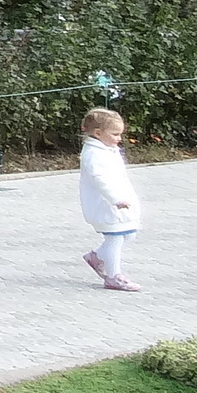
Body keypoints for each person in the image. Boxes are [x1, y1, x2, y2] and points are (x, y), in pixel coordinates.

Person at [79, 107, 141, 291]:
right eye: (115, 134)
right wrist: (115, 199)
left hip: (119, 202)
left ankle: (97, 257)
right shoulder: (93, 153)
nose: (119, 139)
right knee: (114, 238)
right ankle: (113, 276)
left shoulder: (108, 149)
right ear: (98, 133)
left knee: (128, 234)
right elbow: (100, 179)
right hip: (107, 204)